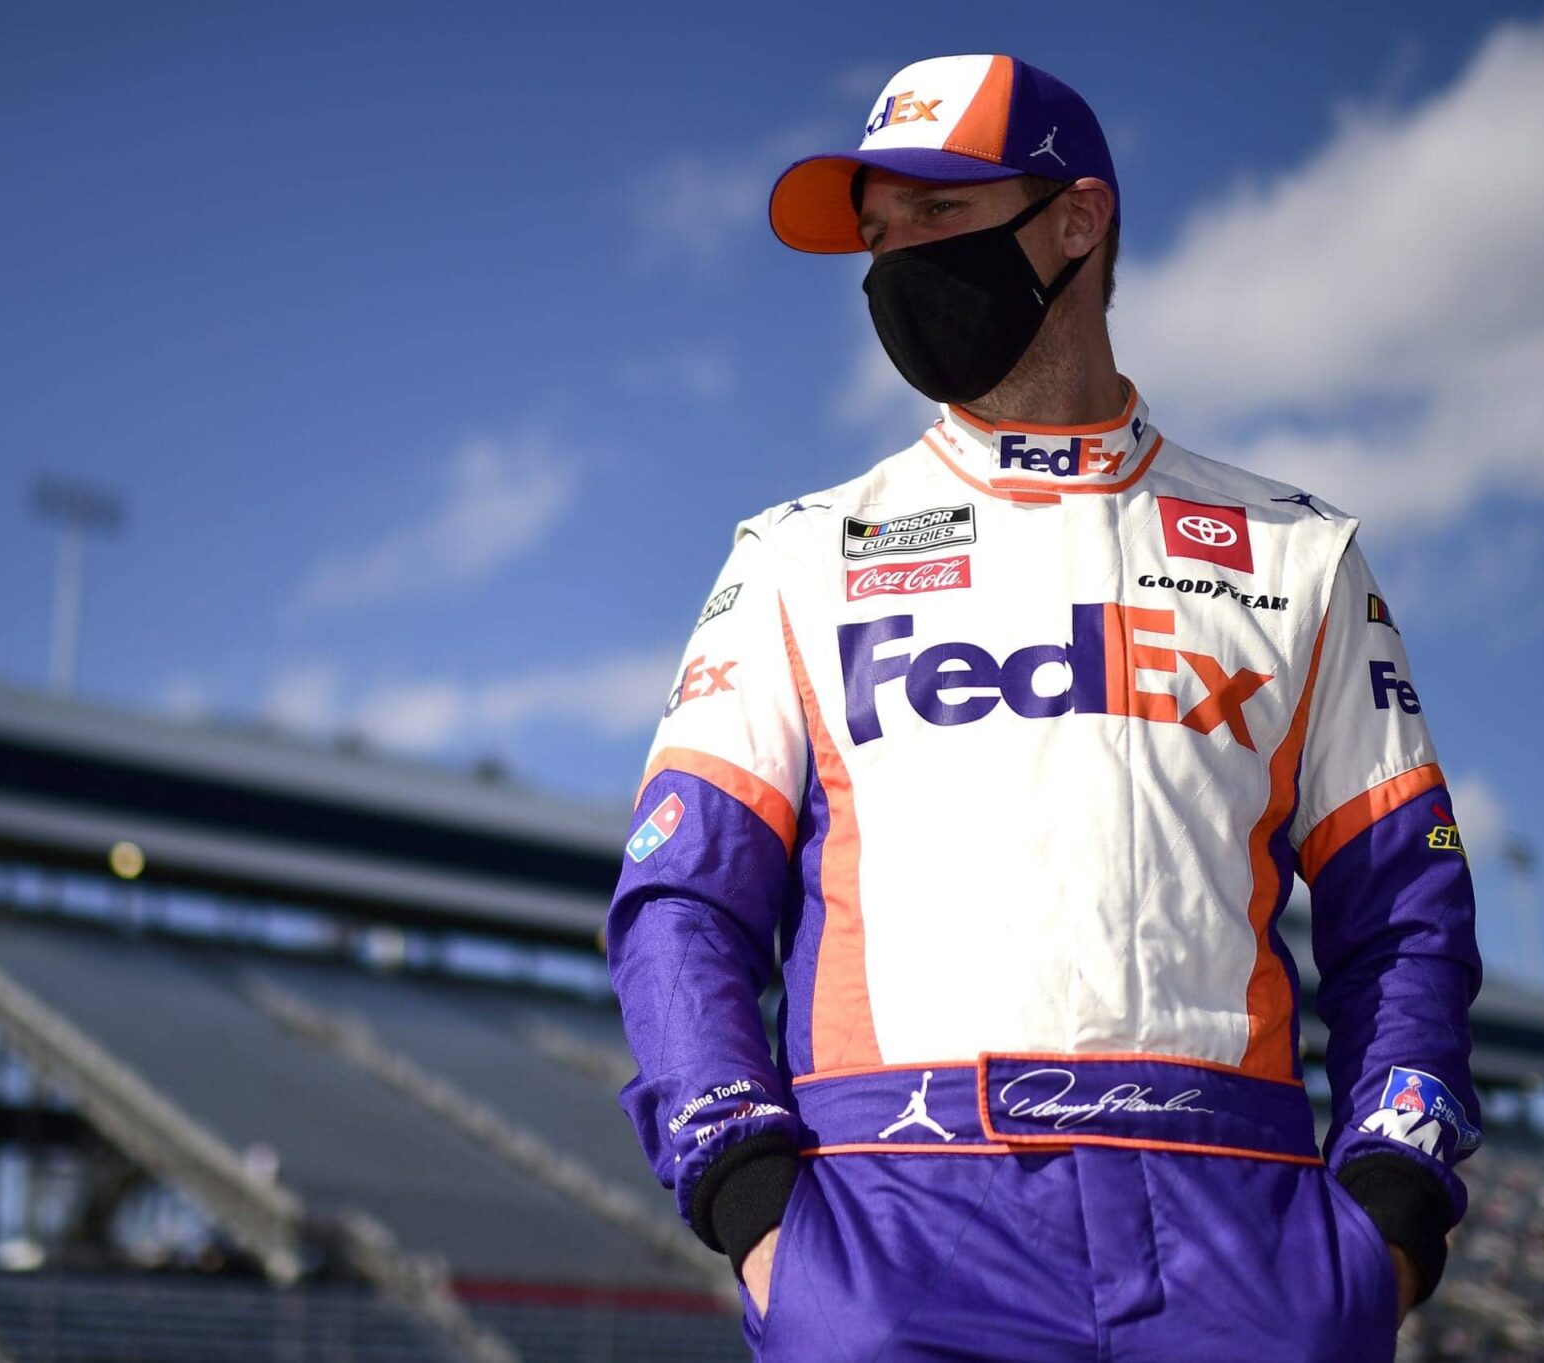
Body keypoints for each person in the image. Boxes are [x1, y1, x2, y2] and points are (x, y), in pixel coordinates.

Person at [606, 53, 1482, 1362]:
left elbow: (1406, 908)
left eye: (938, 214)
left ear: (1078, 220)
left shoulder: (1298, 553)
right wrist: (752, 1197)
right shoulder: (796, 557)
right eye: (880, 235)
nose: (901, 263)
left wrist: (1390, 1214)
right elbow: (681, 901)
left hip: (1242, 1221)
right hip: (893, 1217)